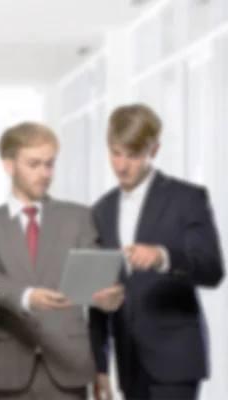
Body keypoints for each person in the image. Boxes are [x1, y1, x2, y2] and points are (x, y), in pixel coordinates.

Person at [0, 122, 124, 400]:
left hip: (69, 362)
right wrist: (27, 296)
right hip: (11, 364)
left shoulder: (79, 217)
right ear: (9, 165)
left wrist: (105, 297)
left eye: (49, 164)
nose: (45, 173)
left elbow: (96, 280)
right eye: (34, 164)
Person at [90, 103, 224, 400]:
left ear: (155, 150)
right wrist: (100, 367)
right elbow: (98, 294)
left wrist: (164, 258)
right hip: (128, 363)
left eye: (134, 155)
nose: (122, 166)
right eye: (116, 153)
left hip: (176, 360)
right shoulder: (101, 209)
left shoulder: (187, 198)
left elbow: (212, 269)